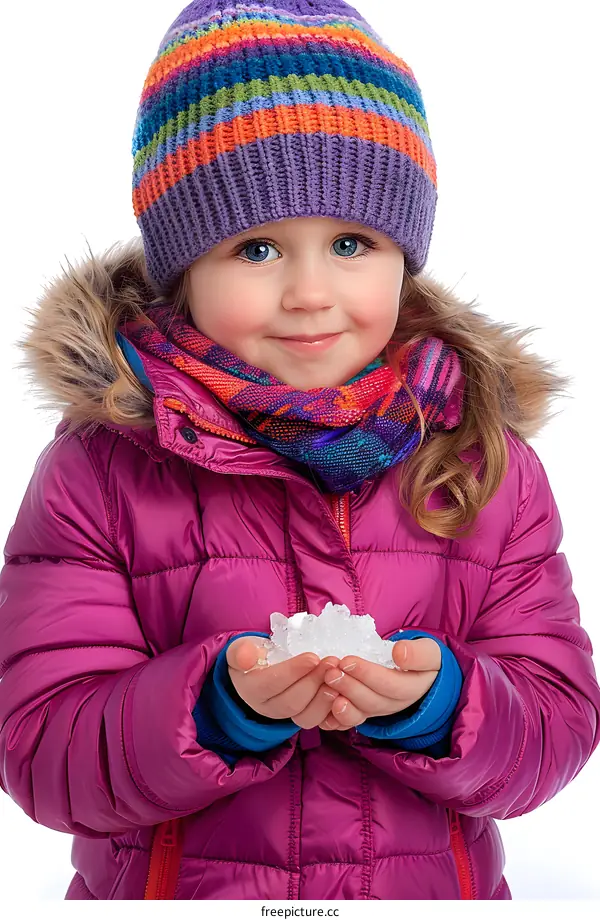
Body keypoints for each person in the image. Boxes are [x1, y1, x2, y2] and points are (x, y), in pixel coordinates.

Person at [0, 0, 599, 902]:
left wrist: (442, 707)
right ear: (185, 270)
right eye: (258, 247)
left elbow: (556, 725)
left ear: (406, 255)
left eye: (352, 243)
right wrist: (217, 709)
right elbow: (41, 747)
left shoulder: (481, 465)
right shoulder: (102, 470)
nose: (311, 292)